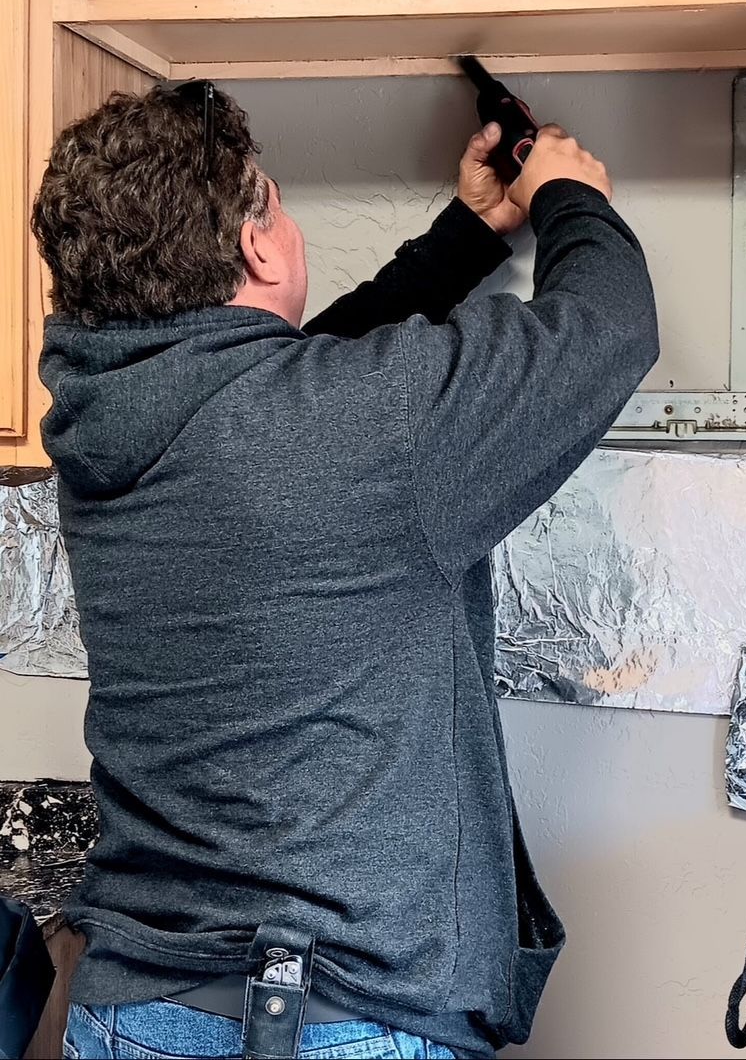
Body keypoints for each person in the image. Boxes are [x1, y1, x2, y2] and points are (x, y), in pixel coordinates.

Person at [31, 82, 658, 1060]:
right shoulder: (347, 425)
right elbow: (606, 327)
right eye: (276, 205)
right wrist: (566, 193)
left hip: (129, 1007)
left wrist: (465, 238)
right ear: (258, 246)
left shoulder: (106, 421)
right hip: (330, 1018)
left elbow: (280, 381)